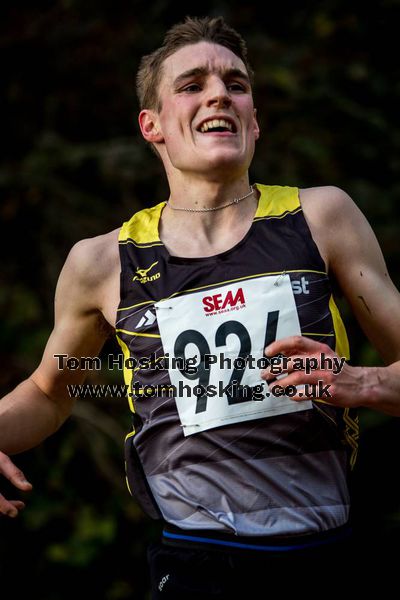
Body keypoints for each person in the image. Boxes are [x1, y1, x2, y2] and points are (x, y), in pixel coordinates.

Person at [1, 15, 399, 598]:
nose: (219, 93)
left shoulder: (322, 217)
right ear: (152, 125)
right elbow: (51, 390)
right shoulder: (102, 262)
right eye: (192, 86)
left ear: (255, 121)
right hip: (192, 559)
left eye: (236, 85)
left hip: (323, 553)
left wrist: (360, 384)